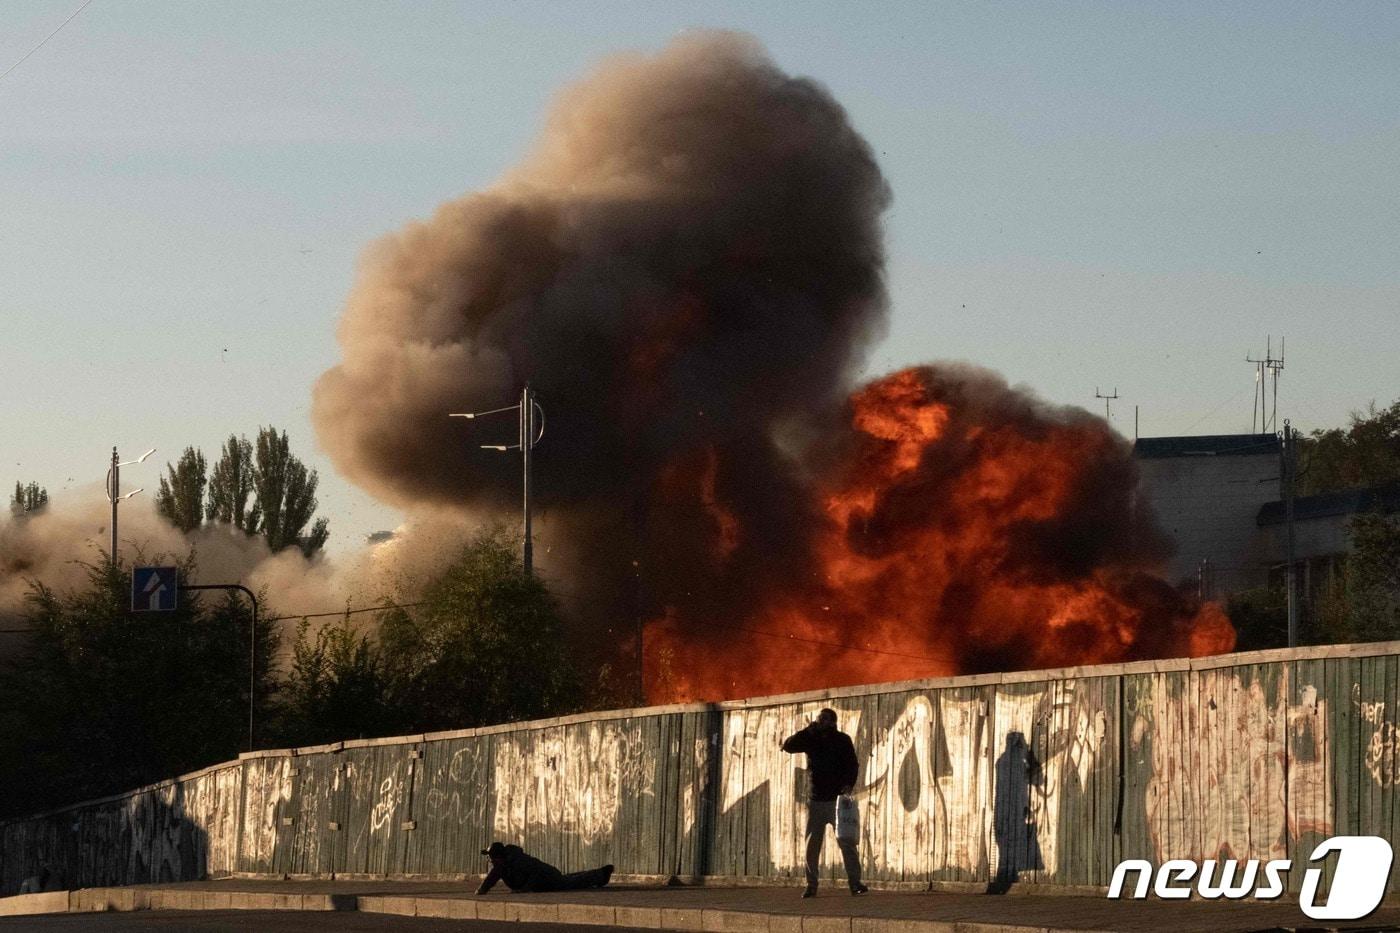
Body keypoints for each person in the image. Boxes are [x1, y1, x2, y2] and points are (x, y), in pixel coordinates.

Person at [781, 707, 867, 898]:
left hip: (837, 802)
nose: (822, 722)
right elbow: (788, 746)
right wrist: (807, 731)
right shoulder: (811, 738)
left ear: (834, 722)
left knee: (846, 842)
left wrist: (848, 785)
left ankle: (855, 883)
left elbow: (852, 765)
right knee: (812, 846)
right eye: (820, 719)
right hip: (816, 800)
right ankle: (811, 885)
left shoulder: (842, 740)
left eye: (825, 719)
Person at [475, 841, 614, 894]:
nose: (490, 860)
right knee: (570, 879)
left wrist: (525, 889)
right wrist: (482, 889)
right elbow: (492, 878)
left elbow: (536, 874)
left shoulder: (517, 861)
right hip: (543, 880)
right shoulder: (503, 864)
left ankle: (602, 874)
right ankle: (599, 875)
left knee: (570, 882)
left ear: (498, 857)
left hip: (547, 877)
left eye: (491, 857)